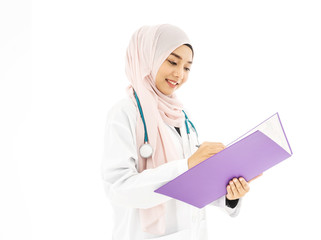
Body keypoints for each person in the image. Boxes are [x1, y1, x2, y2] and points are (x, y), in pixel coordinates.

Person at [101, 24, 260, 240]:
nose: (179, 74)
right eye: (173, 62)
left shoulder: (180, 116)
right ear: (149, 58)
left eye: (187, 67)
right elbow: (119, 188)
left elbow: (193, 185)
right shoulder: (125, 113)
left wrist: (228, 193)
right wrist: (186, 166)